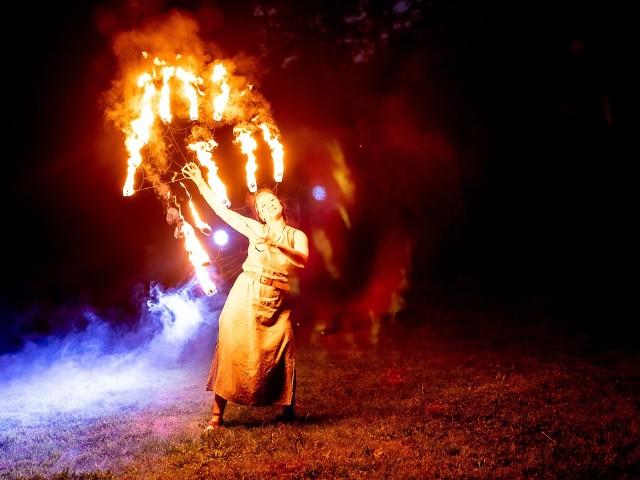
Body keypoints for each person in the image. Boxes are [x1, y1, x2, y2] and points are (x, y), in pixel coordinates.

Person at [181, 162, 309, 430]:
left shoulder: (296, 235)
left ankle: (287, 412)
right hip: (246, 293)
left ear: (281, 205)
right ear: (260, 214)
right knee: (230, 346)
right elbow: (221, 211)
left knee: (283, 349)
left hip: (276, 299)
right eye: (262, 205)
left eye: (271, 200)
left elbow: (302, 260)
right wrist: (199, 181)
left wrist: (278, 246)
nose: (268, 205)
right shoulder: (254, 229)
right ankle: (216, 418)